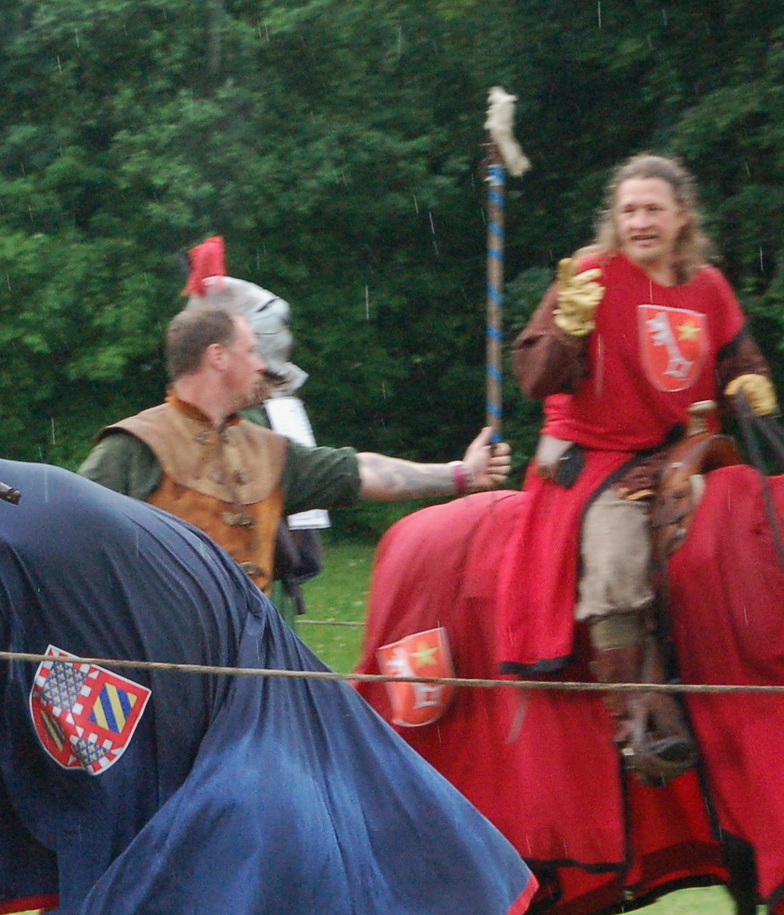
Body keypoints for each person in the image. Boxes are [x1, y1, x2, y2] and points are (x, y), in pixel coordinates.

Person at [496, 153, 775, 780]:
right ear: (613, 219)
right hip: (593, 458)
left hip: (680, 453)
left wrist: (753, 388)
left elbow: (739, 361)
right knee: (620, 559)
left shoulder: (708, 286)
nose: (640, 222)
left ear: (682, 217)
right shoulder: (589, 273)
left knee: (744, 532)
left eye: (653, 209)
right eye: (629, 210)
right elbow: (533, 380)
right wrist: (569, 327)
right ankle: (633, 722)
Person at [79, 304, 511, 586]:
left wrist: (462, 474)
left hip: (248, 662)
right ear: (217, 356)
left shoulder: (269, 451)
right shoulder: (134, 447)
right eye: (251, 351)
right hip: (157, 661)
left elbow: (357, 471)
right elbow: (65, 534)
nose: (262, 365)